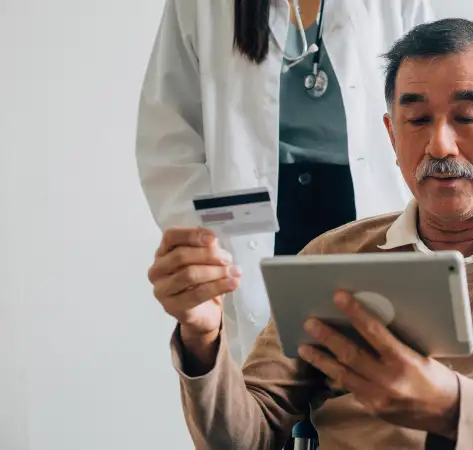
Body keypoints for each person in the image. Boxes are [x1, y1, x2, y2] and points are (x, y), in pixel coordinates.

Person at [147, 18, 473, 449]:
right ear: (391, 136)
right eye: (416, 119)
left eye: (467, 116)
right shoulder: (332, 256)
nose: (440, 143)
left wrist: (450, 406)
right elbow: (248, 436)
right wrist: (201, 335)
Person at [136, 0, 435, 364]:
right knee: (270, 388)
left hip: (364, 210)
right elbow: (168, 137)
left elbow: (432, 96)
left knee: (368, 383)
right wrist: (209, 244)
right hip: (258, 222)